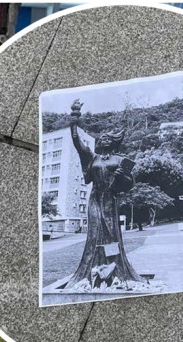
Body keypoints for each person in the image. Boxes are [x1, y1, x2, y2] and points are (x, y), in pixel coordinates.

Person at [67, 99, 144, 289]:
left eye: (108, 139)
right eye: (102, 138)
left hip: (111, 199)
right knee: (94, 232)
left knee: (110, 233)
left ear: (114, 143)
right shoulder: (93, 157)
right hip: (95, 198)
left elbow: (129, 184)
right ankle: (92, 268)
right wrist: (75, 117)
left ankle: (114, 269)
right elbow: (77, 141)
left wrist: (121, 177)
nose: (104, 140)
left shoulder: (120, 160)